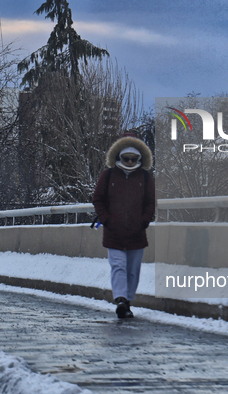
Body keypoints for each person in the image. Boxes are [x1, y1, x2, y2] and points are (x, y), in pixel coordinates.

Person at [92, 133, 155, 318]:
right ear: (119, 158)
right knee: (118, 266)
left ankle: (127, 301)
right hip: (114, 232)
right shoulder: (108, 175)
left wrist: (144, 220)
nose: (129, 162)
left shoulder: (145, 177)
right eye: (126, 159)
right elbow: (98, 199)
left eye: (133, 159)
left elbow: (150, 202)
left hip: (137, 232)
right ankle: (121, 299)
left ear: (139, 159)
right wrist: (106, 219)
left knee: (133, 271)